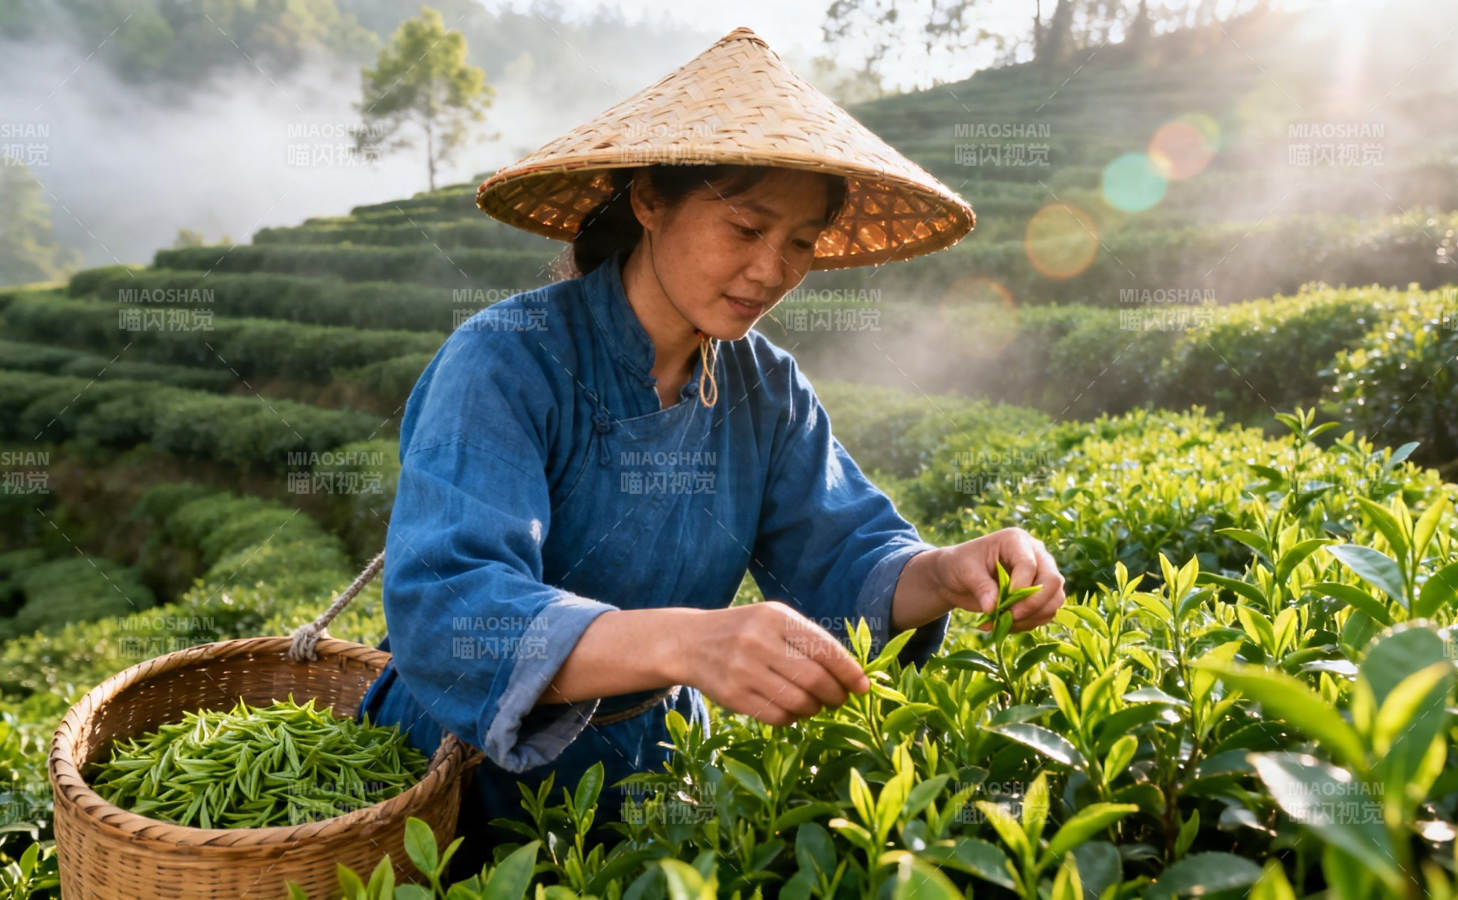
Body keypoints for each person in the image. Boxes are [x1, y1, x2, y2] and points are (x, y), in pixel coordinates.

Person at [354, 25, 1067, 881]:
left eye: (800, 243)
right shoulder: (505, 360)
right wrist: (691, 644)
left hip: (657, 773)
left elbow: (844, 555)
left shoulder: (765, 388)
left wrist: (951, 570)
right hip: (458, 781)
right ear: (651, 200)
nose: (770, 269)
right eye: (745, 227)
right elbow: (452, 607)